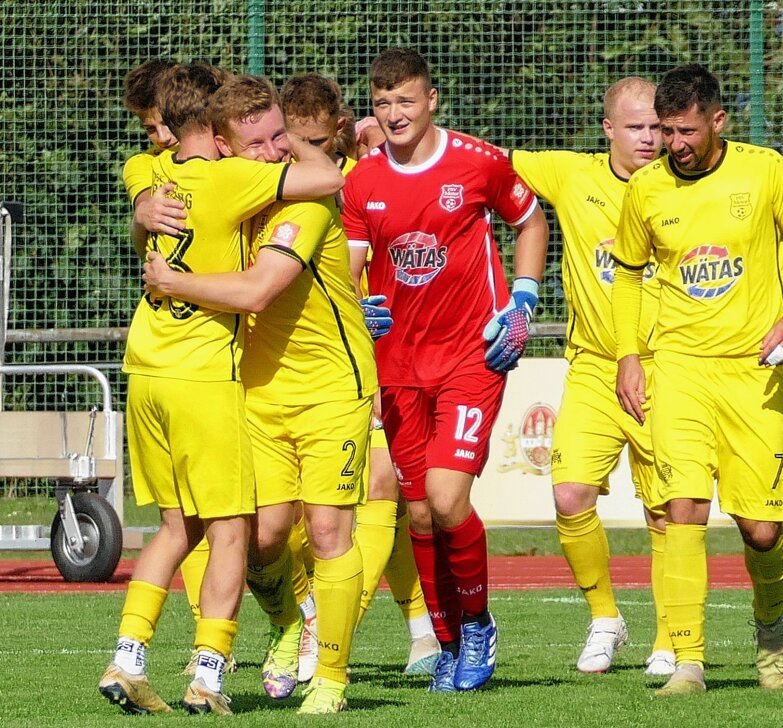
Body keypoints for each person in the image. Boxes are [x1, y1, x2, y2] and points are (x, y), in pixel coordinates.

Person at [98, 64, 344, 716]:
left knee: (176, 528)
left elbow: (140, 189)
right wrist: (288, 142)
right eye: (254, 135)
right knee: (233, 532)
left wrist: (139, 211)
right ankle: (209, 673)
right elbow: (329, 177)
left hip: (143, 371)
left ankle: (128, 659)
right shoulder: (233, 177)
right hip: (203, 376)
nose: (267, 147)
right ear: (216, 129)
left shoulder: (151, 175)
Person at [612, 63, 783, 696]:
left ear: (718, 121)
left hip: (752, 376)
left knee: (761, 530)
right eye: (664, 131)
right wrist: (631, 354)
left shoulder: (764, 170)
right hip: (678, 368)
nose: (673, 144)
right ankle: (688, 662)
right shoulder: (647, 188)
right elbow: (628, 273)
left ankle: (770, 623)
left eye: (685, 131)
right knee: (681, 508)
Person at [340, 48, 549, 692]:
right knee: (420, 514)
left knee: (447, 496)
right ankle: (450, 640)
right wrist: (360, 307)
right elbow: (351, 264)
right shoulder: (362, 181)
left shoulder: (478, 161)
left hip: (470, 355)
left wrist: (523, 296)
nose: (395, 114)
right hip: (397, 363)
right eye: (382, 103)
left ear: (432, 101)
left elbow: (530, 218)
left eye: (406, 101)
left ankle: (479, 626)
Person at [507, 77, 674, 677]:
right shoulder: (573, 175)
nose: (651, 139)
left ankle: (670, 636)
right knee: (569, 494)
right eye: (637, 127)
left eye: (658, 126)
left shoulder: (687, 186)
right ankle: (606, 619)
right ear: (609, 129)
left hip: (667, 372)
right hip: (594, 369)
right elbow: (486, 159)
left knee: (667, 513)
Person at [281, 71, 441, 677]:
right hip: (306, 367)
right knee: (305, 519)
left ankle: (323, 628)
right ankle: (420, 629)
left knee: (381, 489)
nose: (305, 155)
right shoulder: (278, 185)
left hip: (377, 363)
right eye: (296, 142)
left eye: (319, 142)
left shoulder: (366, 179)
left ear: (338, 131)